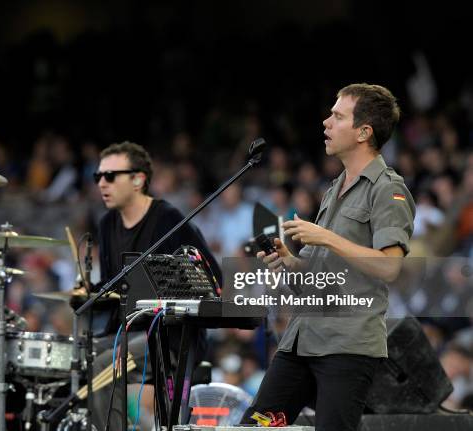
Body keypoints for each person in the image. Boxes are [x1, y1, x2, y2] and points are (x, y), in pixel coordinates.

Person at [240, 84, 415, 431]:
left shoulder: (388, 189)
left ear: (364, 132)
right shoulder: (335, 187)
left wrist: (328, 238)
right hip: (302, 337)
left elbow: (390, 266)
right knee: (254, 427)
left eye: (337, 116)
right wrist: (291, 263)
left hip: (347, 344)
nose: (326, 122)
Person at [91, 141, 221, 431]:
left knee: (103, 364)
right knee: (78, 353)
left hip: (170, 336)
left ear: (138, 179)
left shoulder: (168, 219)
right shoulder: (106, 224)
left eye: (110, 176)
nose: (102, 183)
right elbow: (114, 285)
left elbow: (213, 280)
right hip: (124, 332)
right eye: (98, 176)